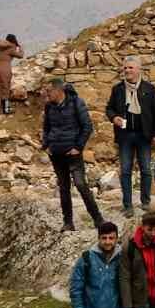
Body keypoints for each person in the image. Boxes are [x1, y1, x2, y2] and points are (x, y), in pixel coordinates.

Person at [40, 78, 104, 232]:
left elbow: (87, 126)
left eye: (49, 91)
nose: (46, 94)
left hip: (73, 153)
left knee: (81, 184)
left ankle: (98, 220)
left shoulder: (76, 103)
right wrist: (46, 145)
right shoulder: (49, 106)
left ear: (58, 90)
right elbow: (46, 127)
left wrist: (78, 147)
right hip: (56, 153)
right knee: (63, 187)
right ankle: (68, 223)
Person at [0, 34, 24, 115]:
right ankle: (6, 110)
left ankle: (1, 105)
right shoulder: (11, 48)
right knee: (6, 89)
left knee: (1, 87)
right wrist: (21, 48)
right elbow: (21, 56)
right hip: (4, 70)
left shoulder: (0, 46)